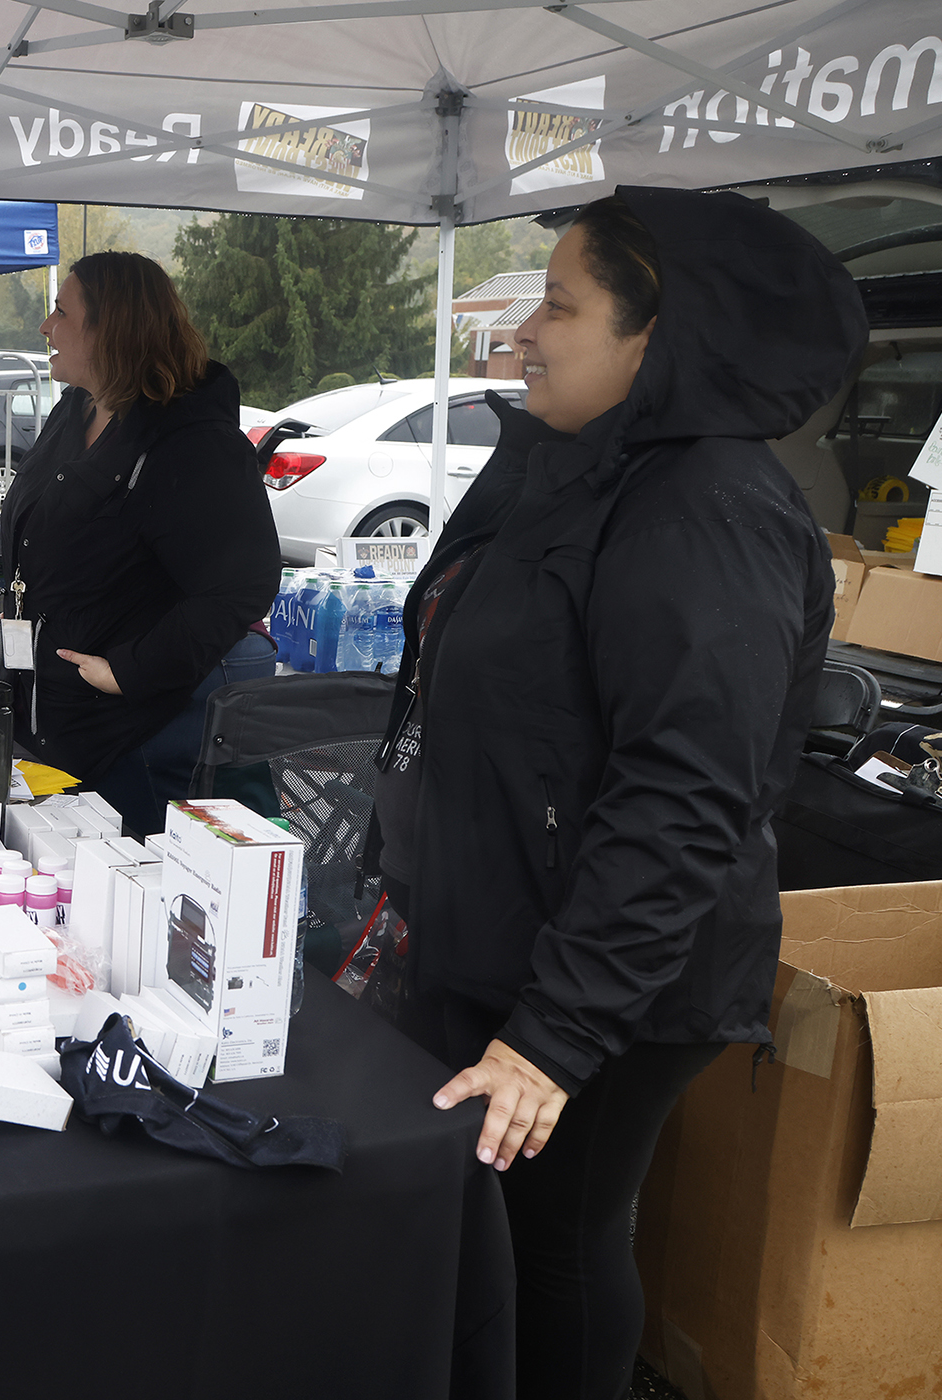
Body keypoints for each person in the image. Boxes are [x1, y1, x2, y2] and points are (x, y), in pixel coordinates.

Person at [368, 188, 865, 1400]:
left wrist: (552, 1036)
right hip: (513, 938)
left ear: (657, 337)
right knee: (500, 1242)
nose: (525, 331)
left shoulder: (707, 509)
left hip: (605, 984)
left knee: (556, 1243)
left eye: (559, 304)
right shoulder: (580, 466)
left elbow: (687, 802)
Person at [0, 251, 281, 836]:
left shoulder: (192, 442)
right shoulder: (75, 409)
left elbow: (242, 585)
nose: (47, 327)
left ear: (113, 329)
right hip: (57, 716)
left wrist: (128, 670)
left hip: (136, 732)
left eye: (61, 312)